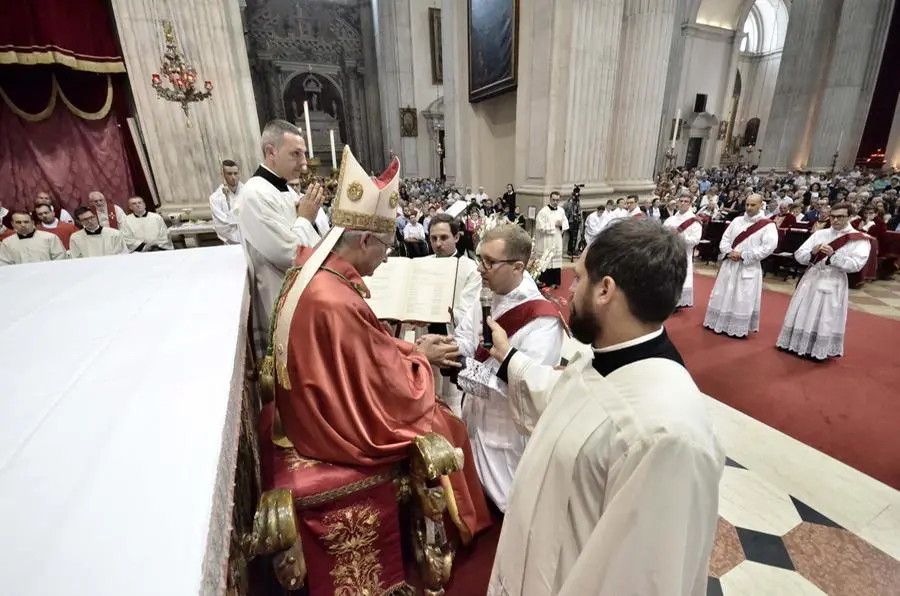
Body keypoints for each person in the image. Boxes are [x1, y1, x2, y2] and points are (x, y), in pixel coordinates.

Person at [485, 218, 724, 596]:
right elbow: (567, 400)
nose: (570, 291)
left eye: (578, 278)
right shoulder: (608, 359)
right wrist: (510, 358)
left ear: (605, 290)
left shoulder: (667, 435)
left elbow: (644, 580)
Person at [267, 146, 491, 543]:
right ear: (365, 239)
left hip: (306, 407)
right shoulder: (334, 299)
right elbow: (385, 384)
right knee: (443, 422)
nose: (385, 260)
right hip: (328, 427)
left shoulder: (312, 269)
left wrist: (412, 349)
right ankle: (447, 537)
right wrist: (421, 359)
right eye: (385, 249)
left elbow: (363, 354)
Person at [453, 224, 565, 512]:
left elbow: (522, 385)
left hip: (505, 436)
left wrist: (461, 370)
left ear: (517, 267)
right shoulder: (487, 292)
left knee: (507, 510)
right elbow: (467, 336)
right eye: (480, 258)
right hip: (474, 420)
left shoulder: (542, 320)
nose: (480, 268)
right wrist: (449, 349)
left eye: (489, 262)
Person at [235, 119, 325, 356]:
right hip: (280, 301)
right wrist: (305, 218)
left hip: (302, 298)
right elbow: (289, 255)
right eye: (296, 154)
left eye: (304, 154)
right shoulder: (255, 194)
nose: (304, 164)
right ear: (271, 151)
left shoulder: (283, 189)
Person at [776, 202, 871, 360]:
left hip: (833, 279)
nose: (835, 220)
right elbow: (800, 255)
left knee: (825, 315)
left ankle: (816, 349)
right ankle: (794, 343)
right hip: (813, 277)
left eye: (840, 217)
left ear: (850, 217)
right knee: (803, 309)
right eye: (833, 216)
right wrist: (812, 252)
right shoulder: (820, 234)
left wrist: (834, 256)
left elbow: (856, 265)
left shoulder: (858, 239)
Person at [421, 213, 482, 416]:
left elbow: (468, 313)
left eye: (444, 238)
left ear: (457, 237)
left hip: (452, 337)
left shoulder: (470, 268)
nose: (438, 244)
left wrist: (440, 309)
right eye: (433, 238)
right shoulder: (423, 264)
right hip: (424, 333)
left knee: (452, 405)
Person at [703, 194, 778, 338]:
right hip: (730, 263)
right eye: (747, 204)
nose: (749, 208)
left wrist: (743, 255)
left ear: (761, 205)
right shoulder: (737, 220)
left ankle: (736, 328)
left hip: (748, 267)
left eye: (753, 205)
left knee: (742, 297)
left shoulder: (767, 225)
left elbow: (769, 247)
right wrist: (729, 252)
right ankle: (717, 322)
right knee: (723, 292)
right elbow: (724, 239)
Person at [663, 195, 703, 308]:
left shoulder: (694, 221)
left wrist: (679, 235)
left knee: (682, 276)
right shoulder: (670, 219)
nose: (683, 203)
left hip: (684, 253)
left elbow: (695, 240)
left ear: (690, 204)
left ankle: (678, 301)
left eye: (686, 201)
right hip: (669, 252)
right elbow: (662, 234)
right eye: (681, 201)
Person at [0, 211, 66, 265]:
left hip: (47, 275)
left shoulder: (50, 238)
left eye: (26, 222)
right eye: (18, 222)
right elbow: (4, 263)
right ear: (12, 224)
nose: (23, 225)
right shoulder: (7, 243)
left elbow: (60, 258)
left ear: (32, 222)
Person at [534, 191, 567, 287]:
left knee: (555, 260)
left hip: (557, 238)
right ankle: (545, 281)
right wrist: (554, 224)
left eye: (557, 200)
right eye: (554, 200)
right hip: (546, 239)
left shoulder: (561, 210)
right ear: (550, 199)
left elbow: (565, 223)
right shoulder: (543, 211)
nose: (555, 202)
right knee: (546, 259)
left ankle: (555, 281)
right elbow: (539, 226)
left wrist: (562, 224)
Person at [209, 159, 243, 245]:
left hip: (251, 241)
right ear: (223, 175)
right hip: (230, 243)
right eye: (229, 174)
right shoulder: (215, 198)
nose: (233, 177)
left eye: (235, 173)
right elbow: (221, 225)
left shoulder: (247, 191)